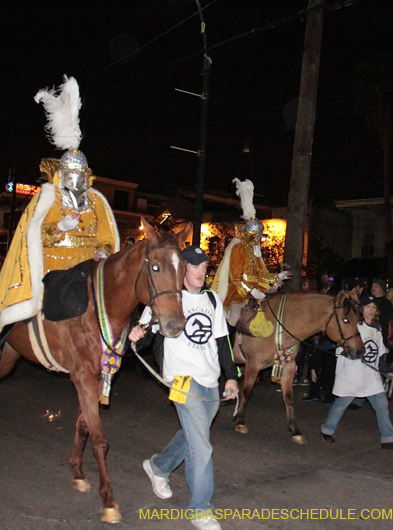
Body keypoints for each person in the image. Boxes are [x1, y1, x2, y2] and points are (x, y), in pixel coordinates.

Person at [0, 76, 120, 373]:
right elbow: (33, 234)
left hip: (88, 266)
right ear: (62, 173)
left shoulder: (97, 201)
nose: (76, 179)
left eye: (81, 174)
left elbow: (106, 235)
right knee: (28, 297)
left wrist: (104, 252)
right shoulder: (48, 198)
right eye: (71, 173)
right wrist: (61, 227)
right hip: (53, 263)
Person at [130, 245, 239, 530]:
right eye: (196, 265)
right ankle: (201, 508)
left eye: (204, 266)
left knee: (193, 435)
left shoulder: (212, 299)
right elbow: (143, 335)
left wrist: (231, 376)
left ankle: (158, 466)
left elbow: (222, 342)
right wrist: (137, 332)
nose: (202, 270)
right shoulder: (166, 298)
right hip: (181, 380)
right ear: (183, 269)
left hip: (210, 380)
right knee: (201, 446)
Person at [319, 296, 393, 449]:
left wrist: (386, 371)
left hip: (371, 376)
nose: (371, 310)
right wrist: (352, 354)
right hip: (352, 374)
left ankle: (388, 438)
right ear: (361, 309)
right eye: (367, 307)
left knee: (381, 405)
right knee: (342, 403)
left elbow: (379, 355)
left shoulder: (377, 329)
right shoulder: (354, 327)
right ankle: (327, 430)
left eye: (374, 307)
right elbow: (342, 349)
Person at [212, 178, 289, 326]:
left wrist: (277, 277)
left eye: (260, 235)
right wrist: (252, 291)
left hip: (255, 292)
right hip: (237, 293)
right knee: (235, 316)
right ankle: (227, 337)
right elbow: (236, 278)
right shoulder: (238, 248)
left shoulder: (255, 251)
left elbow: (261, 275)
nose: (260, 238)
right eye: (257, 235)